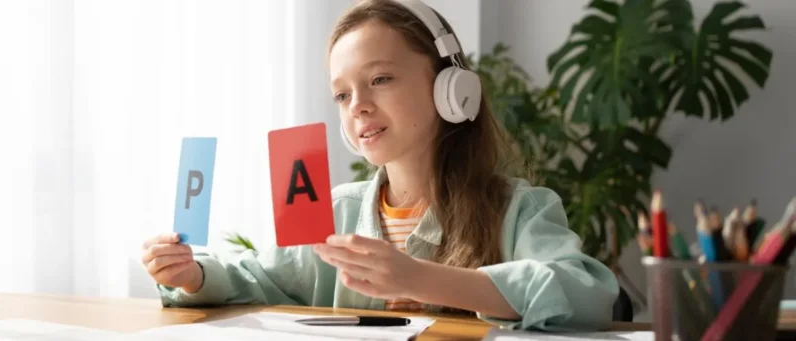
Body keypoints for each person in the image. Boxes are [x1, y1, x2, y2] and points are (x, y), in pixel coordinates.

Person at [139, 0, 619, 332]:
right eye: (342, 94)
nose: (358, 106)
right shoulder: (334, 214)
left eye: (381, 79)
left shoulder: (520, 208)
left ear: (451, 88)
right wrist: (192, 276)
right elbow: (261, 279)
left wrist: (418, 277)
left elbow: (588, 294)